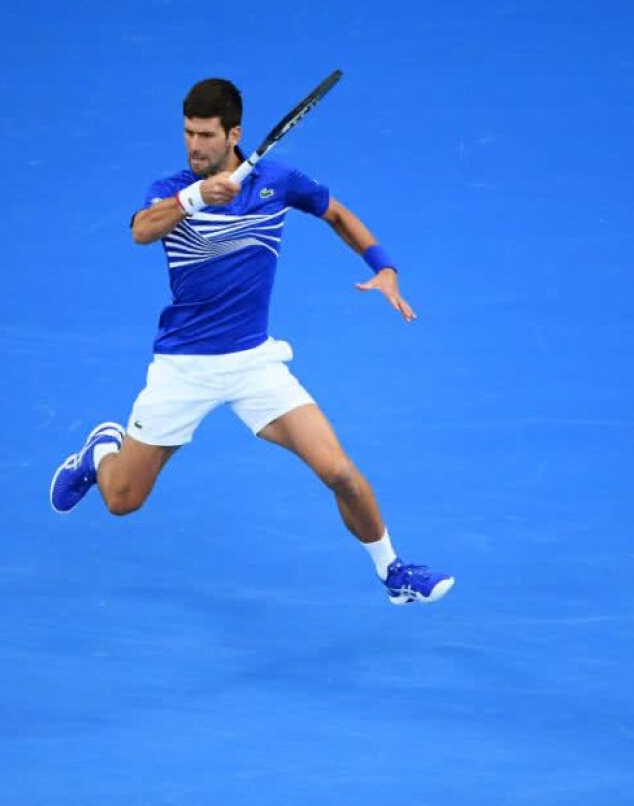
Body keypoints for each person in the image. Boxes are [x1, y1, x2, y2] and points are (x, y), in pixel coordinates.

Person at [48, 78, 453, 604]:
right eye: (188, 134)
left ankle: (393, 572)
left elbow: (335, 213)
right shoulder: (170, 189)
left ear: (233, 134)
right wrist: (195, 197)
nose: (194, 146)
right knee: (123, 500)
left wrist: (385, 267)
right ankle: (102, 448)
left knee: (338, 470)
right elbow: (141, 231)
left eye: (206, 135)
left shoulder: (276, 181)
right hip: (183, 368)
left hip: (253, 363)